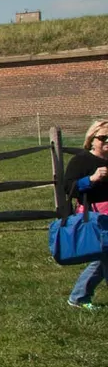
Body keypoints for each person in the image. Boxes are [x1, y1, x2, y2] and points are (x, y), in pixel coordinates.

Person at [64, 119, 108, 311]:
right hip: (96, 214)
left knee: (103, 257)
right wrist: (91, 179)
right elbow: (68, 188)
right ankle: (78, 296)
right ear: (91, 139)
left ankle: (79, 296)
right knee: (103, 256)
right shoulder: (82, 160)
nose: (107, 141)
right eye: (103, 138)